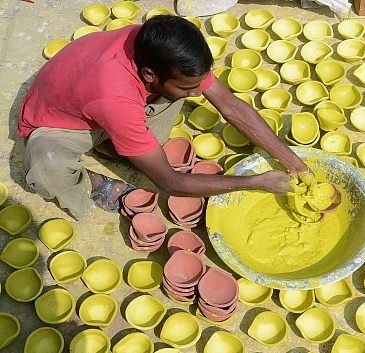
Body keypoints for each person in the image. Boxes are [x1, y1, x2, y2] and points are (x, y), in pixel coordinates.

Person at [17, 15, 308, 220]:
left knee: (167, 102)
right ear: (149, 75)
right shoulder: (115, 96)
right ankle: (89, 181)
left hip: (107, 105)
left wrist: (293, 162)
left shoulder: (159, 47)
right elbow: (170, 182)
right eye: (187, 86)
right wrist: (255, 182)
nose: (197, 93)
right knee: (48, 167)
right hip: (63, 120)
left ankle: (115, 145)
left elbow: (230, 106)